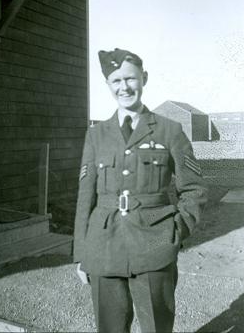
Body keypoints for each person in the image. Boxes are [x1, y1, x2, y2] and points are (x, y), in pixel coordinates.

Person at [73, 48, 208, 333]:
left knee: (157, 327)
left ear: (143, 78)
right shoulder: (95, 135)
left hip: (155, 245)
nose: (124, 87)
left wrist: (175, 233)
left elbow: (194, 189)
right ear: (108, 85)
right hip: (103, 248)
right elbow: (86, 197)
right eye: (116, 81)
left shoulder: (169, 131)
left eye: (130, 79)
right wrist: (82, 254)